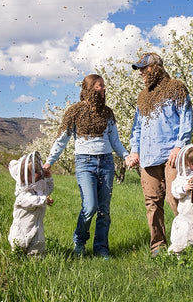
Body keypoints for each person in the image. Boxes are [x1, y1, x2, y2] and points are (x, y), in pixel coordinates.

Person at [44, 74, 129, 259]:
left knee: (104, 210)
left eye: (104, 86)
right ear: (89, 88)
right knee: (90, 206)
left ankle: (101, 248)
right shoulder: (74, 111)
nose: (104, 89)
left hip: (106, 162)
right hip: (84, 163)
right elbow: (62, 139)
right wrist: (49, 161)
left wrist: (127, 156)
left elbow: (115, 141)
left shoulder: (108, 113)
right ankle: (79, 241)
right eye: (100, 86)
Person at [126, 52, 193, 257]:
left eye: (144, 68)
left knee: (176, 198)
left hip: (171, 155)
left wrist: (179, 146)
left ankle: (187, 241)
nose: (141, 73)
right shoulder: (143, 96)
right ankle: (158, 245)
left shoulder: (176, 87)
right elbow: (136, 128)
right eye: (139, 69)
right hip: (147, 157)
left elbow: (186, 118)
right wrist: (134, 150)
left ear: (155, 67)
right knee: (152, 202)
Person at [8, 151, 54, 256]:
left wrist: (48, 178)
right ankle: (16, 260)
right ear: (25, 176)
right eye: (36, 171)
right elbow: (30, 200)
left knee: (38, 247)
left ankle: (36, 263)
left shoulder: (37, 190)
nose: (39, 172)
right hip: (21, 230)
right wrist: (44, 200)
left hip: (37, 227)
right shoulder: (22, 194)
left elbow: (48, 189)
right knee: (19, 247)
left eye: (38, 170)